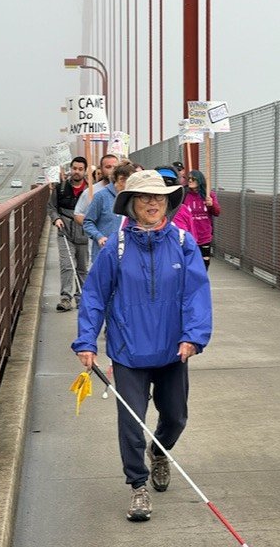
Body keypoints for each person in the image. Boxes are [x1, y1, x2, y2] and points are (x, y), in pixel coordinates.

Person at [72, 170, 212, 522]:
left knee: (176, 417)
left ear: (167, 202)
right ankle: (137, 486)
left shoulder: (183, 242)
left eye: (159, 197)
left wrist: (193, 336)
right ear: (131, 204)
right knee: (131, 422)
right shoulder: (115, 246)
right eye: (144, 197)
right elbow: (94, 296)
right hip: (128, 352)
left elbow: (196, 293)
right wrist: (87, 340)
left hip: (172, 350)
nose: (152, 203)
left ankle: (160, 452)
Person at [47, 156, 89, 311]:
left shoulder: (90, 190)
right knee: (67, 265)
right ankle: (65, 298)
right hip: (64, 231)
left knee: (82, 267)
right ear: (70, 169)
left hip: (84, 233)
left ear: (84, 171)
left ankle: (81, 297)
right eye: (74, 168)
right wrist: (56, 218)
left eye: (80, 169)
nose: (76, 172)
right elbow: (51, 207)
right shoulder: (61, 188)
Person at [83, 162, 135, 263]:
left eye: (131, 180)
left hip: (127, 255)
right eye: (124, 180)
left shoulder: (133, 198)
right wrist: (99, 237)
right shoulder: (101, 196)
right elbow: (88, 222)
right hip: (104, 253)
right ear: (117, 179)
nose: (128, 184)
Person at [182, 169, 221, 270]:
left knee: (205, 263)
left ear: (199, 180)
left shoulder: (209, 195)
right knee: (189, 263)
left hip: (204, 234)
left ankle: (202, 282)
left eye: (193, 178)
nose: (190, 181)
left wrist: (212, 204)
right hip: (189, 235)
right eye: (188, 178)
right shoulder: (184, 194)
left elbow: (217, 212)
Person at [74, 153, 119, 226]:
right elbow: (78, 215)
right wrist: (93, 228)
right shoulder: (90, 191)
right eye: (108, 167)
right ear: (101, 169)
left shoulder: (124, 191)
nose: (112, 170)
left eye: (115, 167)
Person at [154, 165, 197, 240]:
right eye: (160, 181)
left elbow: (192, 241)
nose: (165, 186)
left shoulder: (183, 210)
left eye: (169, 182)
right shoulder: (144, 212)